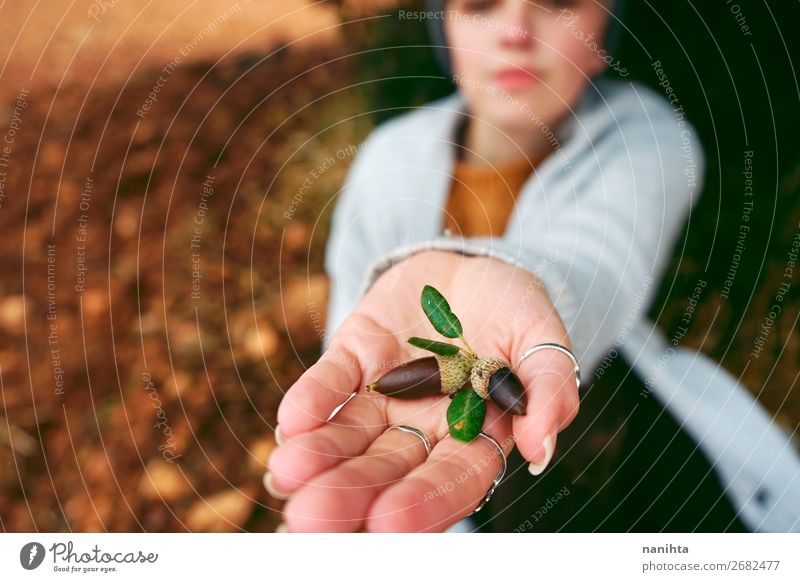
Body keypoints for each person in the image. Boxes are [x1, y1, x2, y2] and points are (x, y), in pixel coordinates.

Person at [264, 0, 800, 532]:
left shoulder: (647, 138)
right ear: (444, 31)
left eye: (558, 4)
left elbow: (598, 262)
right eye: (480, 6)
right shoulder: (388, 157)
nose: (516, 32)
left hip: (623, 435)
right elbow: (353, 331)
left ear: (603, 37)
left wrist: (516, 285)